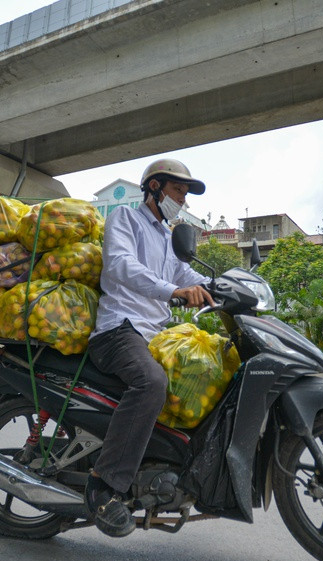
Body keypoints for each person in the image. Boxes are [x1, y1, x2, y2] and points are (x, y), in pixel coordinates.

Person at [84, 158, 215, 537]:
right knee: (151, 383)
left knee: (197, 376)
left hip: (152, 333)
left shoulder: (166, 235)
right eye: (178, 190)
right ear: (155, 187)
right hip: (119, 330)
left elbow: (185, 274)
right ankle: (104, 485)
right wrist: (173, 292)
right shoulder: (125, 219)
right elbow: (121, 264)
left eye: (186, 194)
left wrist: (222, 287)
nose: (183, 200)